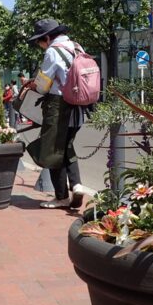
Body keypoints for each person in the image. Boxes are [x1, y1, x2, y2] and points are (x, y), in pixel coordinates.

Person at [24, 18, 95, 209]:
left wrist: (33, 84)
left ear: (47, 37)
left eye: (39, 41)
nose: (40, 45)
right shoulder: (77, 46)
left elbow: (43, 86)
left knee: (52, 150)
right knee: (66, 146)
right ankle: (77, 185)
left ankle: (62, 196)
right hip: (79, 106)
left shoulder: (52, 52)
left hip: (58, 106)